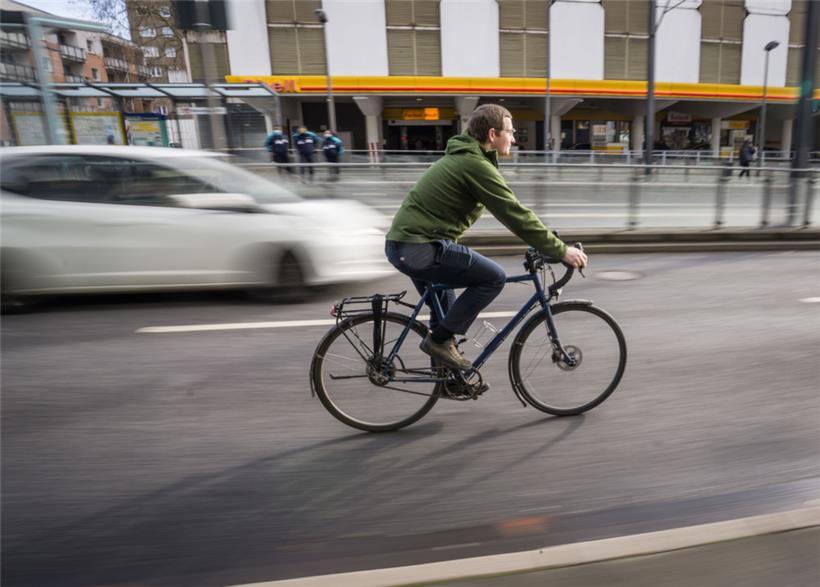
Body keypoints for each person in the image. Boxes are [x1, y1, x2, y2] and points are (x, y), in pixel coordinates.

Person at [384, 104, 587, 370]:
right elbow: (513, 212)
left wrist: (542, 242)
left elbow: (512, 212)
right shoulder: (474, 164)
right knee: (493, 278)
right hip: (419, 247)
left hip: (410, 244)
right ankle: (439, 342)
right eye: (510, 132)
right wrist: (561, 250)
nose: (514, 138)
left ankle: (446, 379)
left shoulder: (469, 158)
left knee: (445, 310)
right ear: (492, 134)